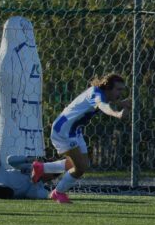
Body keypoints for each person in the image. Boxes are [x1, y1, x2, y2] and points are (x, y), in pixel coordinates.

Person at [32, 73, 131, 203]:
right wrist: (117, 114)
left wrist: (122, 104)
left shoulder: (101, 93)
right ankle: (58, 193)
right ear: (108, 87)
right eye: (118, 89)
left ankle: (41, 168)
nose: (120, 92)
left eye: (122, 90)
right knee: (80, 168)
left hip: (73, 130)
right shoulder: (96, 95)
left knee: (76, 164)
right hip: (63, 130)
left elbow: (108, 101)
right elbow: (103, 106)